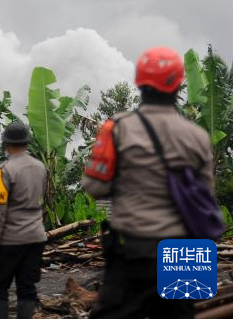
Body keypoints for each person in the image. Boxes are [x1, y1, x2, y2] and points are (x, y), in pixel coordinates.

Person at [82, 46, 215, 319]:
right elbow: (206, 197)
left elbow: (95, 187)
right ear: (178, 84)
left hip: (133, 249)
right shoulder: (198, 136)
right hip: (186, 252)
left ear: (139, 82)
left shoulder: (117, 128)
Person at [0, 120, 48, 319]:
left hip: (11, 239)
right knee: (27, 287)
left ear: (7, 144)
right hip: (36, 237)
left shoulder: (3, 171)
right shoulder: (41, 168)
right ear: (27, 143)